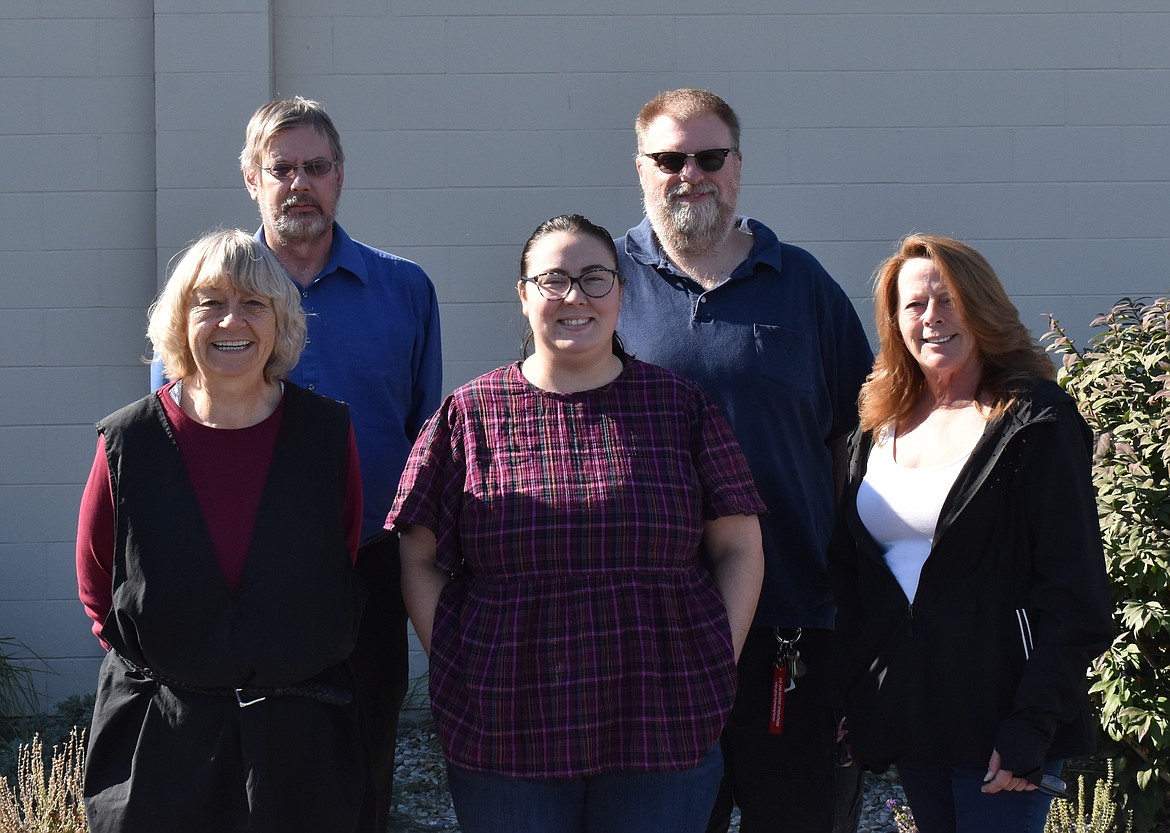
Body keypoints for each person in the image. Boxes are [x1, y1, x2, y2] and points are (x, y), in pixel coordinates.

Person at [389, 213, 767, 833]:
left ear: (620, 292)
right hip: (506, 726)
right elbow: (417, 555)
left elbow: (738, 546)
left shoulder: (679, 406)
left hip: (660, 715)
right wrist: (457, 661)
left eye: (595, 278)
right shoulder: (469, 414)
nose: (575, 297)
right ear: (523, 295)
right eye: (553, 280)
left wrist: (714, 657)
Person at [151, 96, 444, 828]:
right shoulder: (206, 295)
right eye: (281, 169)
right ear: (252, 179)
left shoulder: (404, 290)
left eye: (316, 166)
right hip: (238, 582)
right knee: (237, 773)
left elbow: (419, 432)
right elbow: (163, 435)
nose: (300, 183)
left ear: (341, 175)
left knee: (365, 760)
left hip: (365, 572)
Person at [615, 88, 874, 833]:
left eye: (709, 156)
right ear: (641, 169)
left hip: (790, 627)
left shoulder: (803, 286)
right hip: (649, 632)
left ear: (738, 166)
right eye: (669, 158)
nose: (689, 173)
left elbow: (856, 446)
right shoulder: (606, 286)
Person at [77, 230, 369, 832]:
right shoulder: (127, 440)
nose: (231, 320)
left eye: (254, 303)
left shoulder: (326, 435)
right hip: (162, 744)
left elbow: (339, 557)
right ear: (180, 320)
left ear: (280, 320)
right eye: (210, 301)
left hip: (300, 747)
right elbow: (98, 588)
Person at [827, 234, 1113, 833]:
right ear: (893, 321)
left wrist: (1031, 725)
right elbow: (855, 579)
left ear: (981, 307)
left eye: (949, 299)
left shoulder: (1035, 421)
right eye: (914, 305)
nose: (932, 318)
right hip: (912, 719)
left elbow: (1075, 593)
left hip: (1001, 725)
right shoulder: (875, 428)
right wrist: (860, 691)